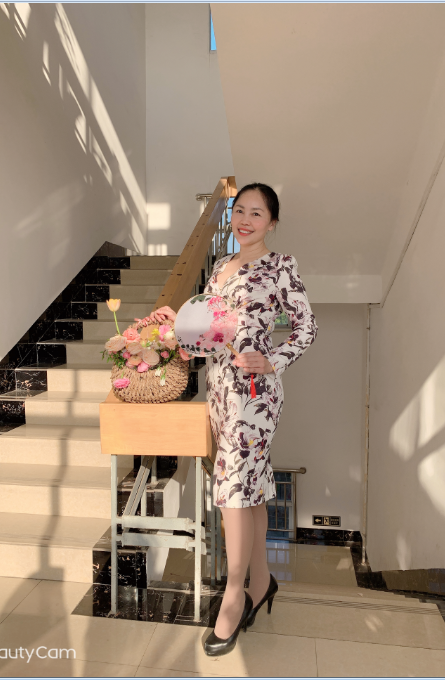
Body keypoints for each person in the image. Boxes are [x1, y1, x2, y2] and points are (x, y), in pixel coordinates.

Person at [148, 183, 318, 656]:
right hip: (220, 390)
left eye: (256, 213)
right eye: (239, 210)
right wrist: (179, 333)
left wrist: (273, 359)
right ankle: (262, 582)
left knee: (231, 491)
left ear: (272, 222)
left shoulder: (281, 266)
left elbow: (307, 327)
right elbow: (210, 331)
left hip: (254, 396)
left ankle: (234, 595)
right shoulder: (221, 266)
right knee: (250, 489)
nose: (245, 219)